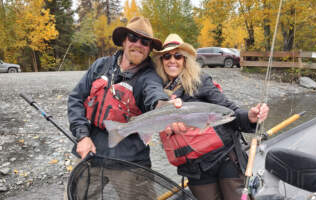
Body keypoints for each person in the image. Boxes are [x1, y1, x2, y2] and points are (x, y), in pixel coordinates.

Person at [67, 16, 180, 199]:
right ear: (124, 41)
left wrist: (164, 107)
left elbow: (154, 95)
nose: (138, 44)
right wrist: (82, 136)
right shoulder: (100, 66)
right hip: (91, 151)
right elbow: (75, 99)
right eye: (133, 38)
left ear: (150, 48)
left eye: (145, 42)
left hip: (131, 159)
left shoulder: (150, 77)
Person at [153, 33, 269, 200]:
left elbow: (228, 110)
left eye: (178, 55)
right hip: (194, 169)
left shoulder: (200, 80)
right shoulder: (155, 89)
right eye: (167, 56)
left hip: (223, 158)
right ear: (161, 61)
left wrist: (250, 117)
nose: (172, 60)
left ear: (185, 59)